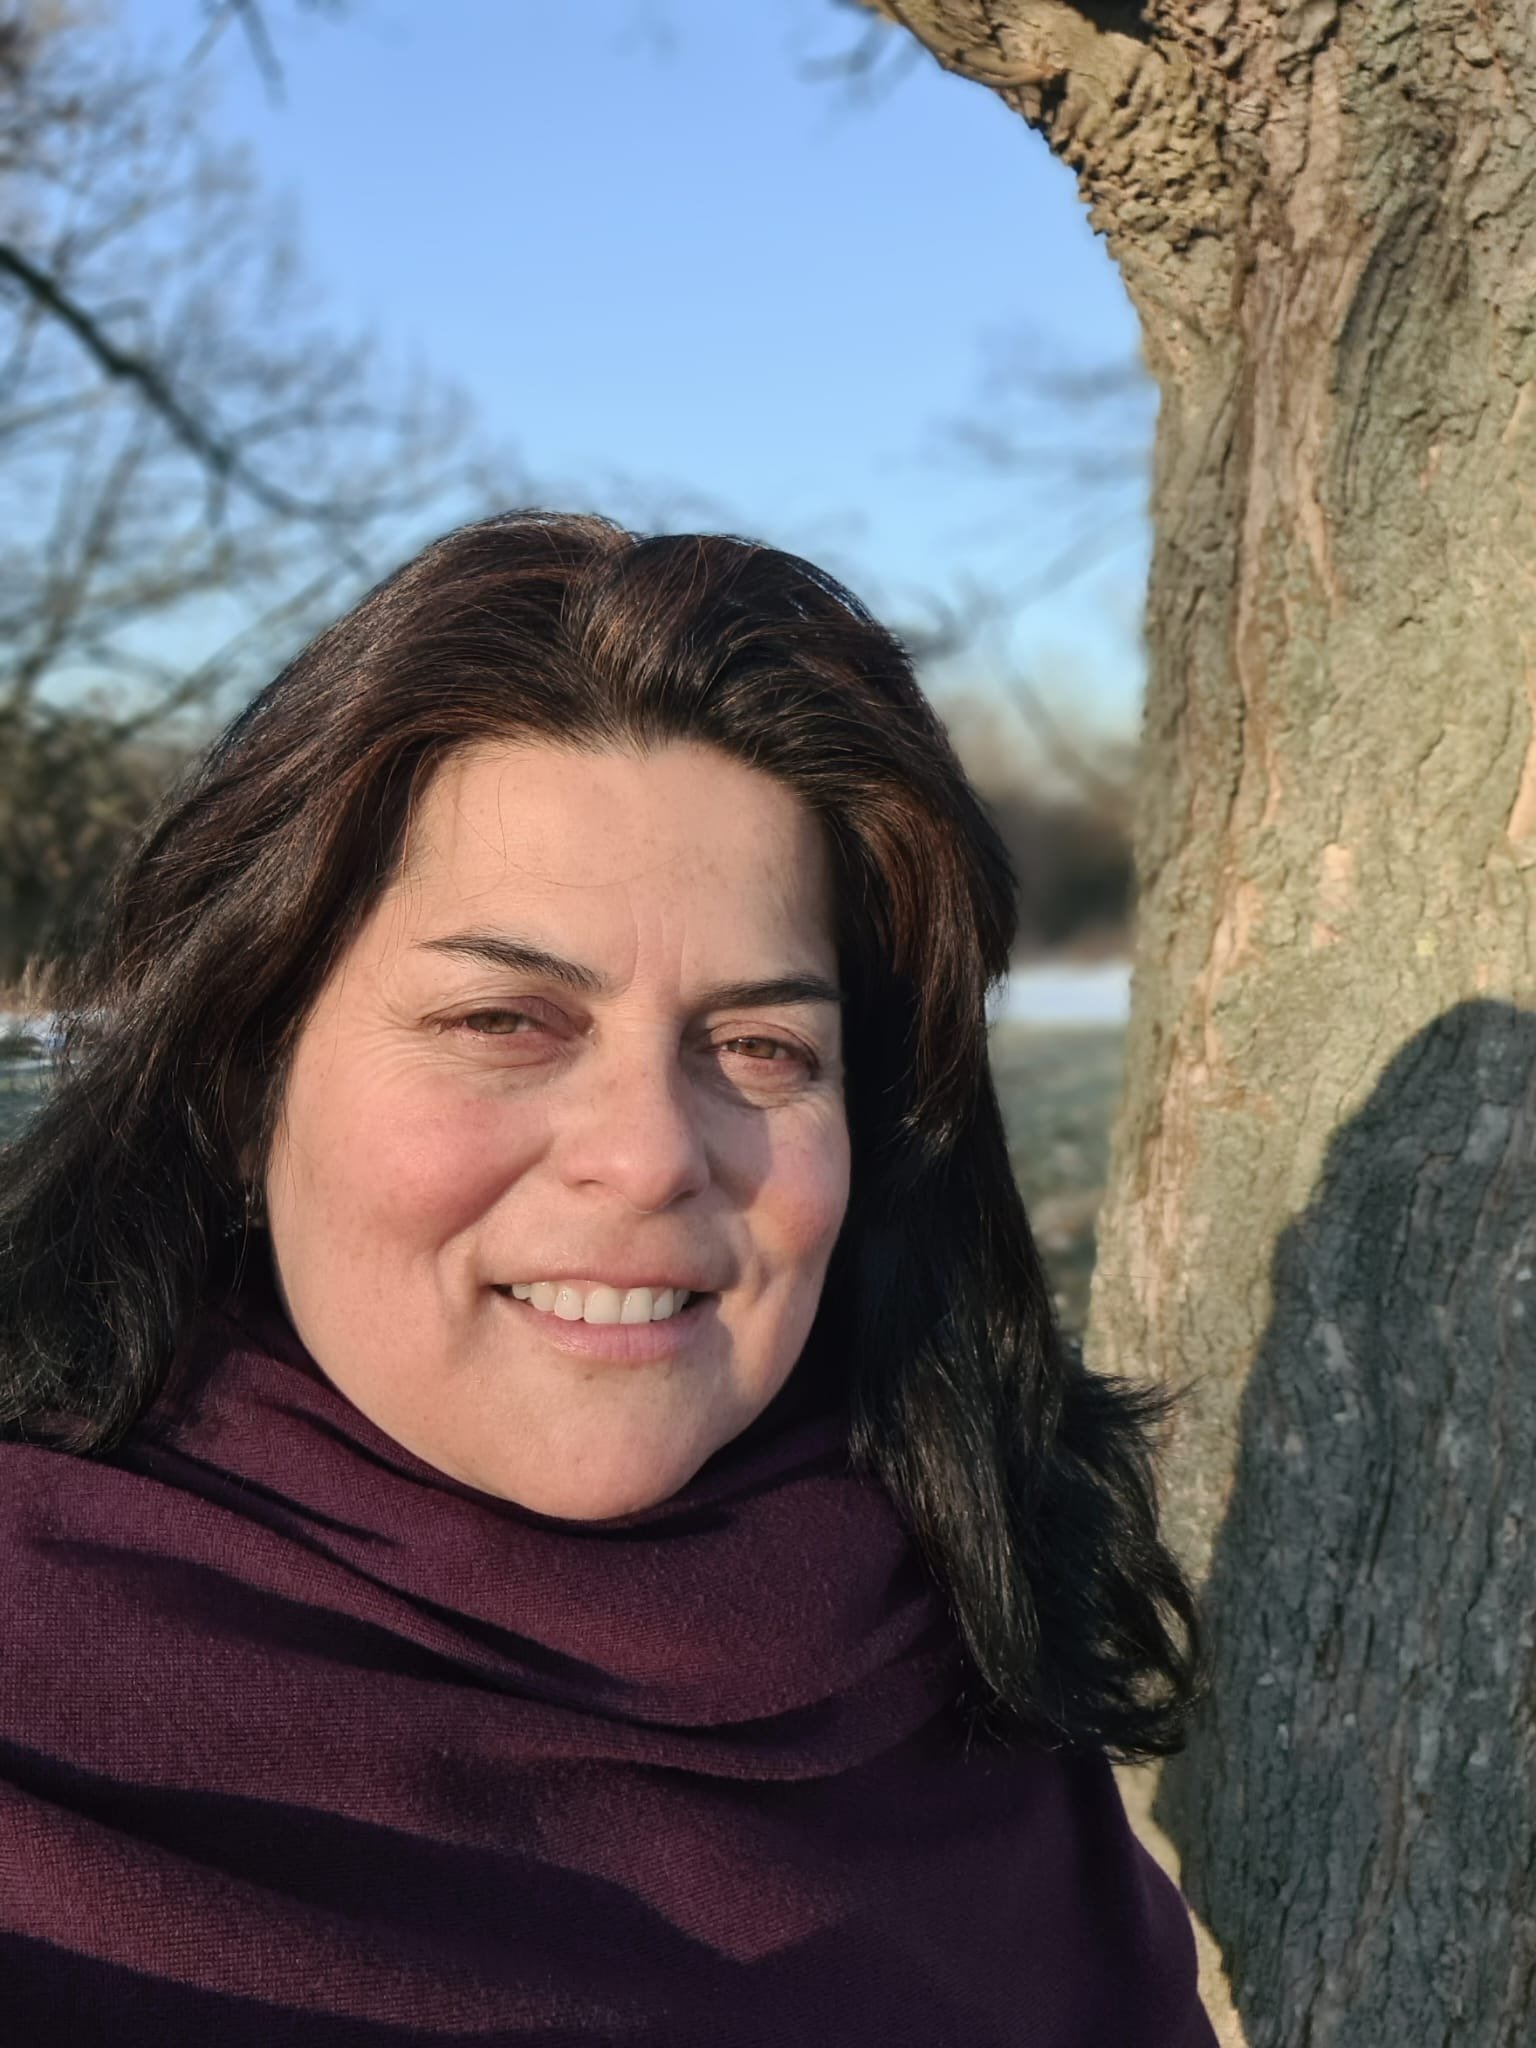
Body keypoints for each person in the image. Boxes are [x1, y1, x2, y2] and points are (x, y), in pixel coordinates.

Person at [0, 512, 1216, 2045]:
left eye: (760, 1045)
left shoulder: (969, 1686)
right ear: (246, 1079)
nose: (648, 1157)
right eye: (505, 1021)